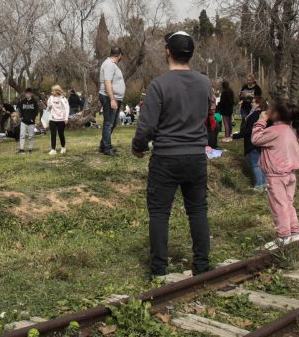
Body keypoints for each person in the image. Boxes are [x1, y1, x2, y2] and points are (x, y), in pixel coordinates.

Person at [131, 31, 213, 278]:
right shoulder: (205, 83)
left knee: (159, 213)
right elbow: (207, 118)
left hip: (166, 157)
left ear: (168, 52)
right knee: (198, 210)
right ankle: (201, 266)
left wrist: (138, 146)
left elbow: (147, 126)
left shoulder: (159, 85)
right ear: (191, 53)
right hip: (197, 156)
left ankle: (159, 271)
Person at [251, 99, 299, 250]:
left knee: (278, 206)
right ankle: (295, 232)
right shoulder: (290, 129)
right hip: (290, 174)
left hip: (276, 176)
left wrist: (261, 121)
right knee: (288, 204)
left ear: (276, 114)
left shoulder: (274, 131)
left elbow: (255, 139)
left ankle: (283, 236)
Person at [233, 95, 266, 191]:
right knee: (262, 164)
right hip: (262, 142)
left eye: (253, 102)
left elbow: (249, 130)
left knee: (256, 164)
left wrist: (235, 136)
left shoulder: (255, 114)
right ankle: (265, 184)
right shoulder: (264, 114)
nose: (251, 103)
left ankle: (259, 185)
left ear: (258, 104)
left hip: (253, 143)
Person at [99, 47, 126, 156]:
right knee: (109, 123)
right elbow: (107, 83)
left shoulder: (112, 64)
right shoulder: (109, 64)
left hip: (115, 98)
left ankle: (103, 145)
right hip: (109, 97)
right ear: (119, 55)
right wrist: (112, 99)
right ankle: (107, 148)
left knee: (113, 123)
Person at [46, 85, 70, 155]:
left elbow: (67, 108)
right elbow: (48, 107)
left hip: (61, 119)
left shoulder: (63, 98)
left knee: (61, 134)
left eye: (53, 91)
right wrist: (49, 105)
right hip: (52, 119)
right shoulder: (51, 98)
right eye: (52, 91)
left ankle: (63, 147)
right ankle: (53, 149)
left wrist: (66, 118)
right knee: (53, 134)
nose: (52, 92)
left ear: (57, 91)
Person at [17, 88, 38, 154]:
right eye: (26, 93)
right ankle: (21, 149)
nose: (27, 95)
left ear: (31, 94)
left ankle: (30, 148)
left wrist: (32, 118)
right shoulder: (22, 101)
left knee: (31, 136)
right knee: (22, 135)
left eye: (28, 93)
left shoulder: (34, 102)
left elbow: (36, 111)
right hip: (24, 121)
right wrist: (21, 117)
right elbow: (20, 109)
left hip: (31, 122)